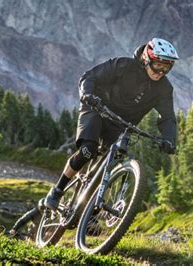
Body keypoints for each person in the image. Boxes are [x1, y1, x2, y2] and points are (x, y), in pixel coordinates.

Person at [44, 37, 179, 211]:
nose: (160, 72)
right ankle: (58, 190)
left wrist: (169, 139)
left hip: (121, 125)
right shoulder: (123, 65)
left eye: (166, 68)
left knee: (110, 165)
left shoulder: (164, 88)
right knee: (88, 150)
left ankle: (90, 213)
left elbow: (167, 117)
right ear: (146, 58)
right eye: (158, 65)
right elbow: (90, 77)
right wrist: (87, 94)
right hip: (97, 109)